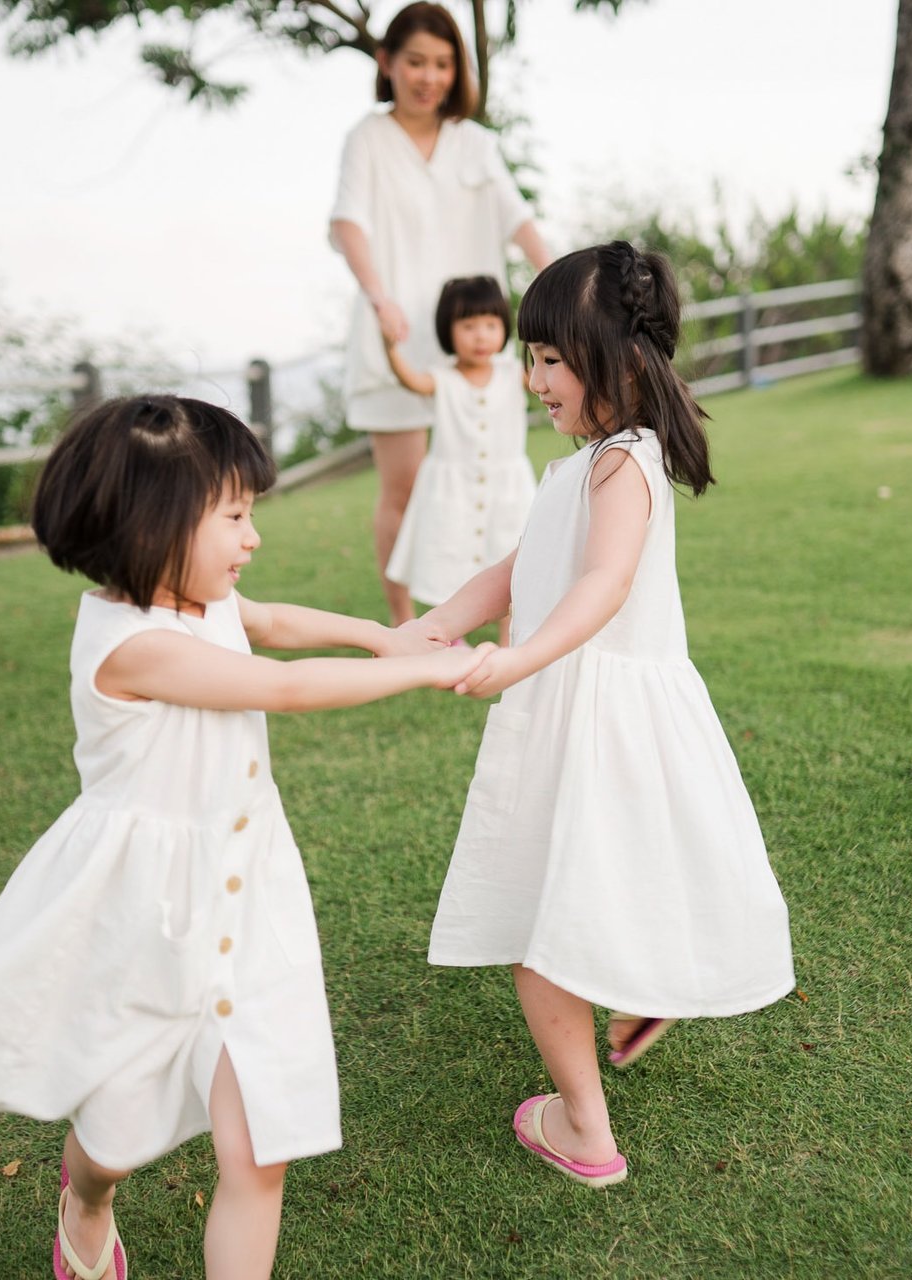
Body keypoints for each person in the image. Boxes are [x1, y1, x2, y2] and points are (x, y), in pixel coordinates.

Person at [0, 396, 488, 1280]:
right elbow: (280, 684)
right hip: (146, 917)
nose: (252, 537)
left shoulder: (207, 603)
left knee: (257, 1146)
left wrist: (379, 634)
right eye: (233, 516)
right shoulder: (130, 645)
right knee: (116, 1132)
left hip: (249, 893)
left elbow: (270, 624)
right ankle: (86, 1198)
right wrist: (426, 667)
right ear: (153, 524)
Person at [405, 243, 795, 1187]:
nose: (532, 379)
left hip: (590, 705)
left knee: (538, 919)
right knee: (600, 875)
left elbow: (604, 585)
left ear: (617, 361)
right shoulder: (593, 462)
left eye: (549, 358)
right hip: (595, 706)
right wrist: (439, 623)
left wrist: (520, 658)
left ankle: (586, 1129)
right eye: (530, 358)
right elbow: (521, 564)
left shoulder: (624, 465)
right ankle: (640, 986)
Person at [328, 0, 551, 626]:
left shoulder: (474, 144)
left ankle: (500, 612)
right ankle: (402, 622)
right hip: (394, 339)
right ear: (386, 63)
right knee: (402, 489)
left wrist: (560, 276)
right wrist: (379, 296)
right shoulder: (367, 139)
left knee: (495, 483)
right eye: (417, 62)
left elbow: (519, 220)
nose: (430, 77)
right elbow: (349, 223)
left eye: (443, 64)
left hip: (473, 343)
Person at [382, 275, 535, 629]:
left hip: (507, 489)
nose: (480, 335)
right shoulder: (442, 378)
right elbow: (411, 381)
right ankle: (451, 632)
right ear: (447, 330)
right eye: (468, 326)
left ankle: (508, 639)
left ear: (504, 328)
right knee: (448, 558)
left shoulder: (515, 373)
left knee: (513, 559)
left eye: (490, 324)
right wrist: (390, 348)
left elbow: (554, 376)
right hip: (452, 490)